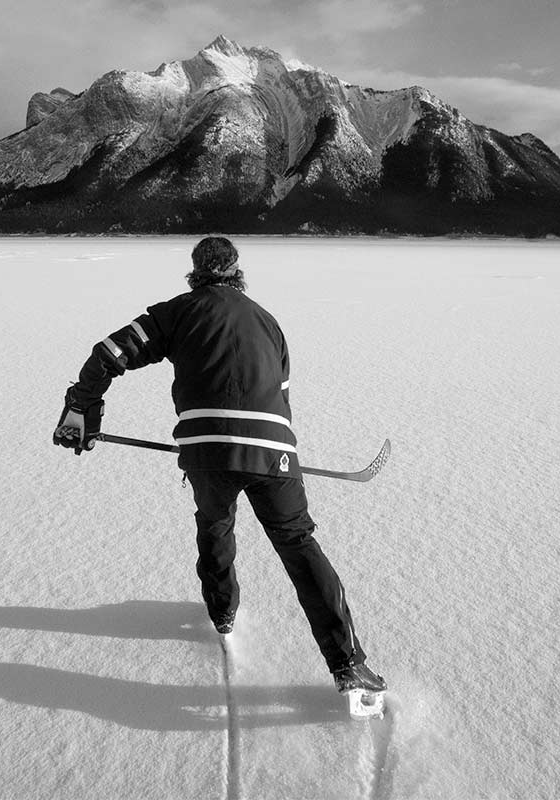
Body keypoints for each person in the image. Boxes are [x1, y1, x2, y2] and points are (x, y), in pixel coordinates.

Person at [52, 236, 386, 696]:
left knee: (214, 524)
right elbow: (282, 394)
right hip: (274, 450)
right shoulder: (269, 322)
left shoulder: (176, 311)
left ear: (195, 271)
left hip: (206, 451)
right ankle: (348, 662)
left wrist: (81, 406)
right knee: (297, 544)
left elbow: (109, 353)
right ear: (236, 271)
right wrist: (273, 452)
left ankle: (222, 613)